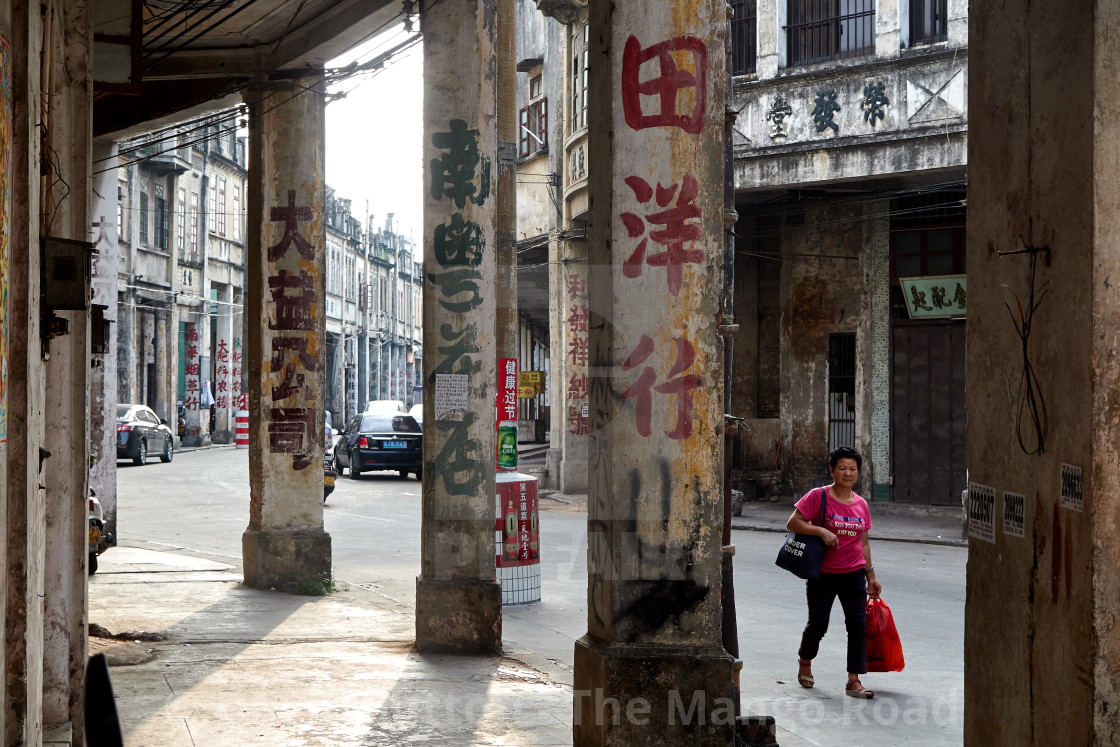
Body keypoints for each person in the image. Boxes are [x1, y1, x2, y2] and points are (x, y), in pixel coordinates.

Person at [787, 445, 881, 699]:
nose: (848, 473)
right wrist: (820, 530)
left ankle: (854, 679)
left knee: (857, 626)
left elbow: (864, 543)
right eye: (842, 468)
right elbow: (793, 522)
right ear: (832, 470)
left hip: (853, 575)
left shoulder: (861, 504)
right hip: (822, 575)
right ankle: (805, 660)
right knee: (818, 625)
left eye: (852, 469)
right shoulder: (818, 496)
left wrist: (870, 575)